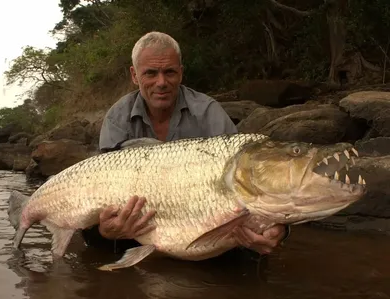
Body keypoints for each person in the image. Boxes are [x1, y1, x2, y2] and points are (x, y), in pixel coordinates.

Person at [82, 31, 289, 258]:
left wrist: (278, 227)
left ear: (181, 73)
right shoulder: (117, 118)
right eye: (151, 73)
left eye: (169, 72)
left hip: (203, 220)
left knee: (245, 251)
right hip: (140, 225)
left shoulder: (209, 112)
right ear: (134, 75)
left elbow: (249, 184)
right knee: (94, 238)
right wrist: (105, 230)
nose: (161, 82)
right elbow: (99, 187)